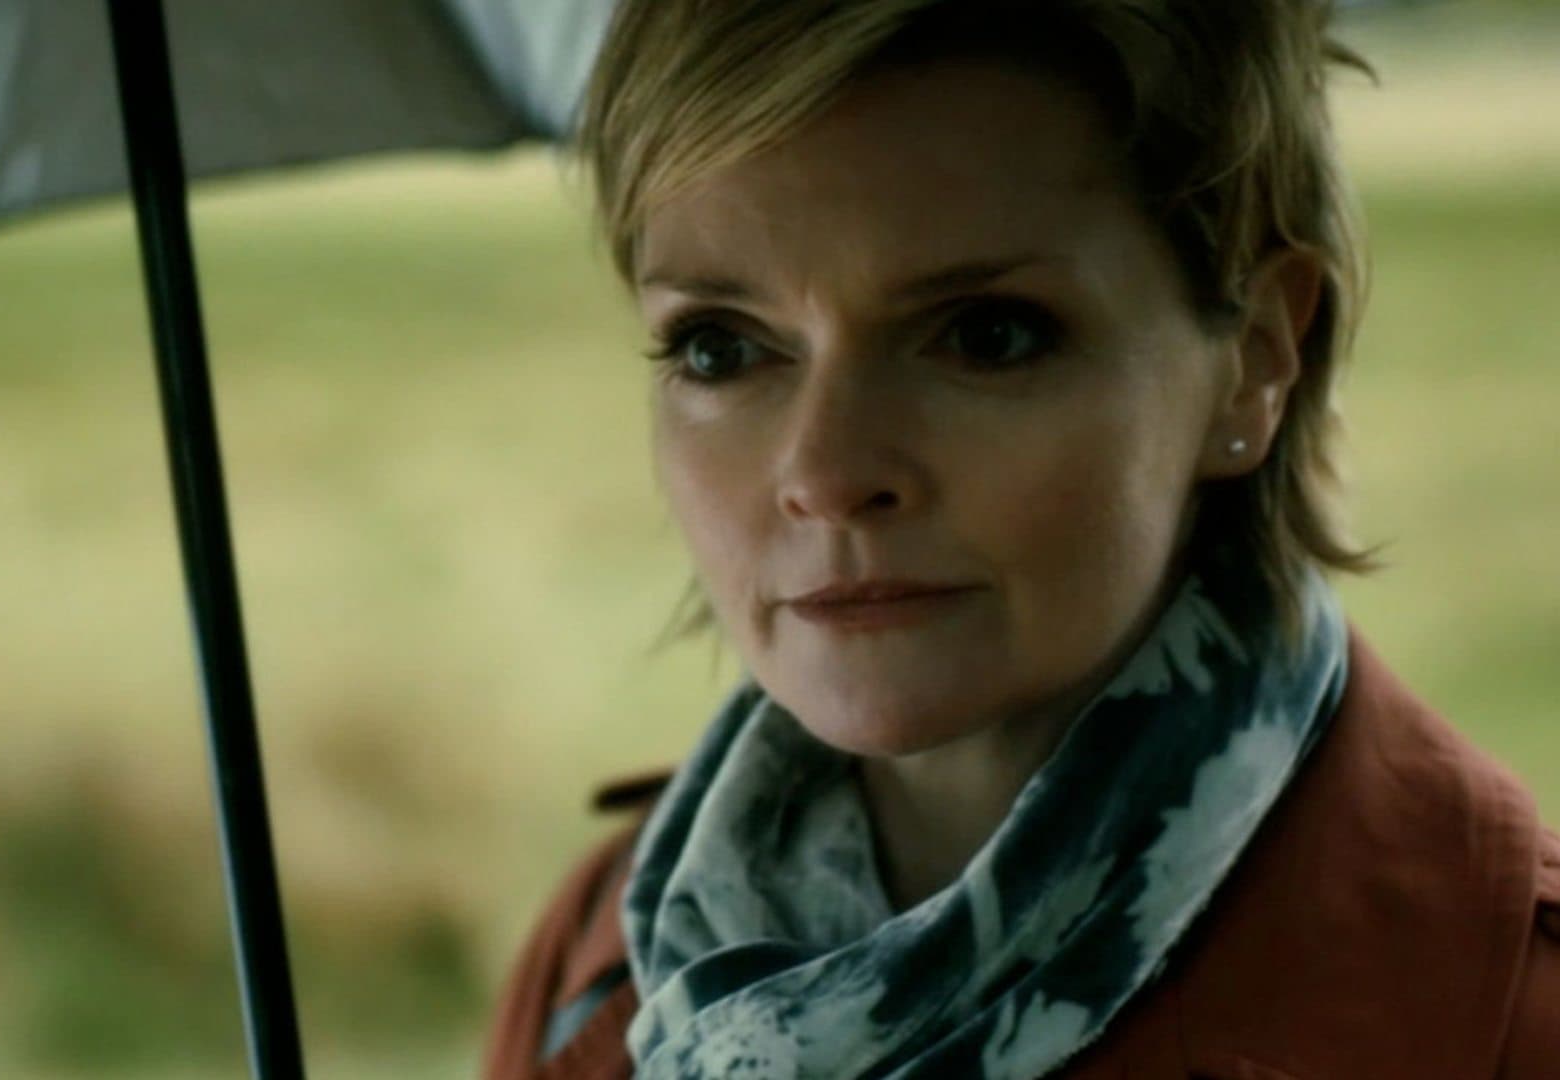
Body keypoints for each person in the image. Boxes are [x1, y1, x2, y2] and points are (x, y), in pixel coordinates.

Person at [483, 2, 1560, 1077]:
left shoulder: (1505, 1020)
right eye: (720, 348)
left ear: (1257, 357)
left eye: (986, 336)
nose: (827, 475)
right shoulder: (604, 954)